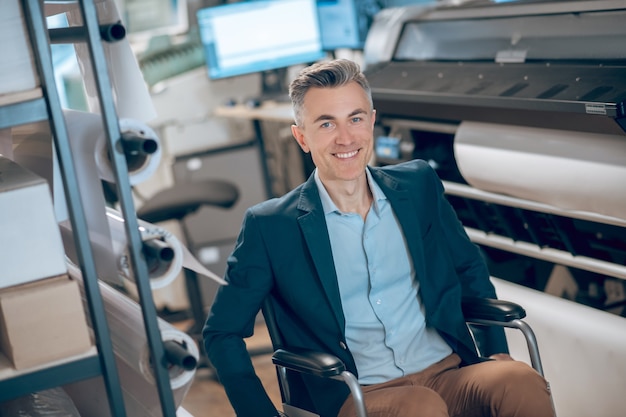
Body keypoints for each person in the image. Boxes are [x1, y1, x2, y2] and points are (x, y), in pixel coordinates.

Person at [203, 59, 554, 417]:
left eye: (355, 119)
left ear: (372, 121)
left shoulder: (418, 187)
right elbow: (221, 333)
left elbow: (468, 269)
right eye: (327, 124)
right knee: (421, 407)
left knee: (518, 380)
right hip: (359, 393)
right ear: (302, 137)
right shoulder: (271, 226)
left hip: (448, 371)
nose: (345, 138)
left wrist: (494, 349)